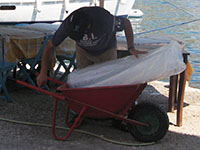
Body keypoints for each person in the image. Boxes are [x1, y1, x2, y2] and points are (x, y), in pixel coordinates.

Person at [36, 6, 146, 88]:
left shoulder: (104, 19)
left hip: (106, 50)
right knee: (83, 82)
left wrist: (131, 47)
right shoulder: (68, 25)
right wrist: (43, 73)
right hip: (83, 51)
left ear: (89, 26)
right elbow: (49, 46)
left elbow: (126, 23)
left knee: (107, 82)